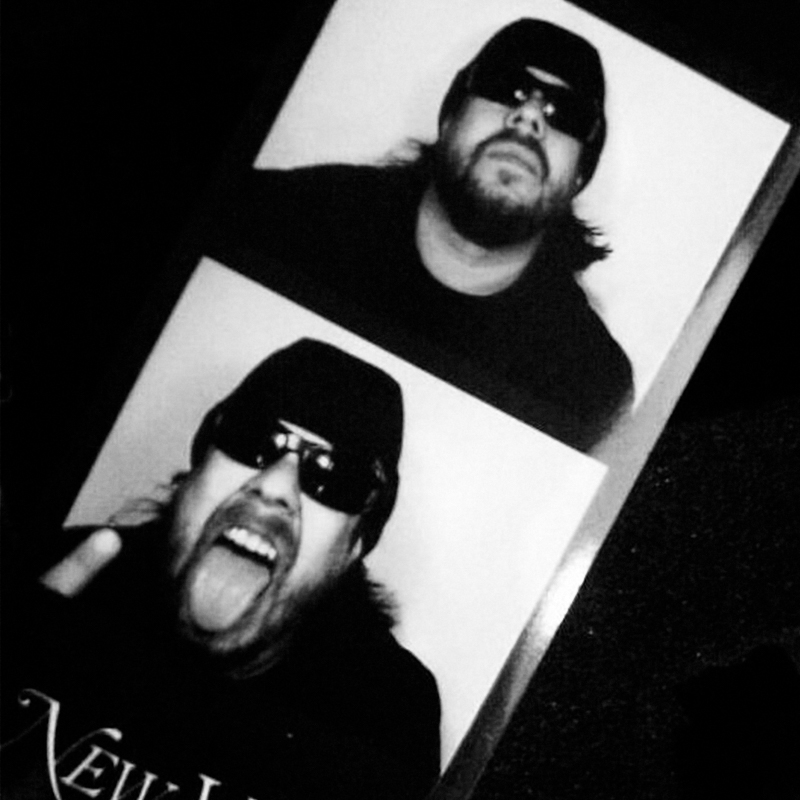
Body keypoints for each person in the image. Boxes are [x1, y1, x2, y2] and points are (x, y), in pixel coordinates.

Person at [0, 339, 441, 800]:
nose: (275, 487)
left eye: (336, 477)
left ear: (354, 547)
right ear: (196, 469)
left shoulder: (386, 717)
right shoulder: (50, 586)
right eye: (251, 436)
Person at [207, 18, 634, 452]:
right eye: (505, 87)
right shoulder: (273, 216)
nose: (527, 119)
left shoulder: (589, 385)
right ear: (449, 119)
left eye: (568, 114)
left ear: (580, 175)